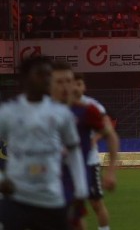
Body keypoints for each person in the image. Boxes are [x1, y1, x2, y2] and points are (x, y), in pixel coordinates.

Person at [0, 56, 88, 229]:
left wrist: (81, 188)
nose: (46, 78)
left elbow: (74, 149)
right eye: (40, 74)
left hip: (50, 198)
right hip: (16, 197)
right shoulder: (8, 112)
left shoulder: (61, 113)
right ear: (25, 77)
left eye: (48, 74)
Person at [76, 73, 121, 230]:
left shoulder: (92, 107)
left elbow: (108, 130)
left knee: (96, 204)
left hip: (90, 163)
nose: (75, 87)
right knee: (72, 210)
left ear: (84, 86)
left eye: (78, 83)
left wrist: (94, 139)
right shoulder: (58, 107)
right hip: (67, 165)